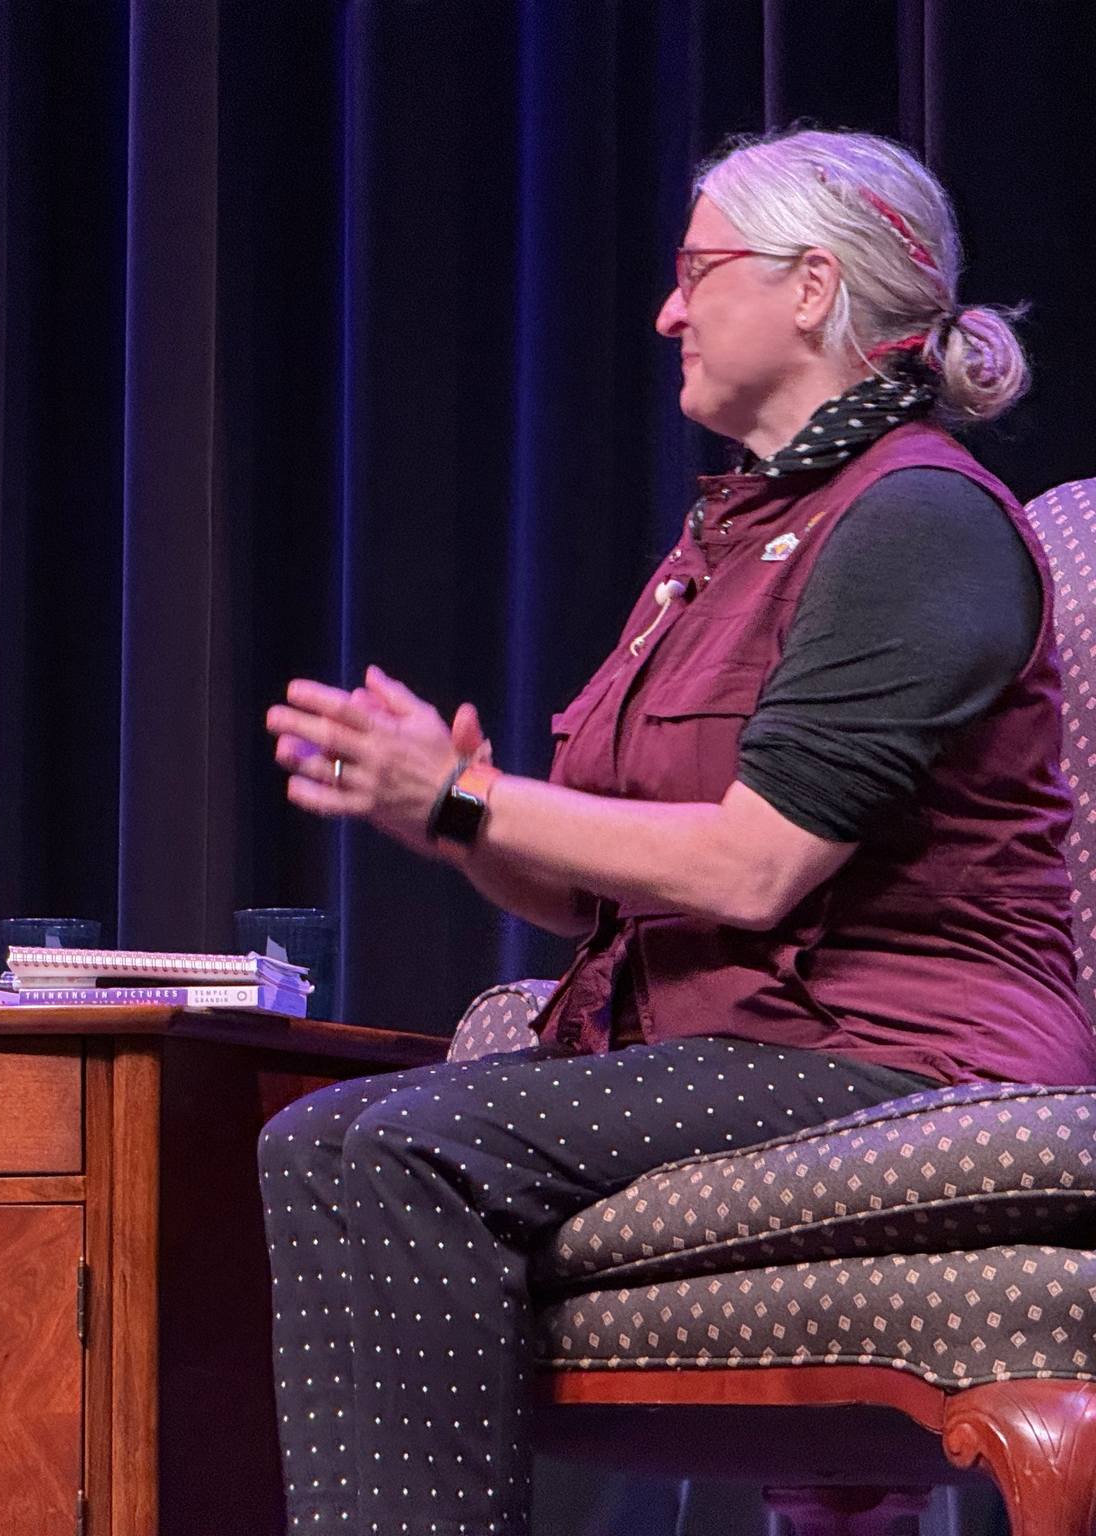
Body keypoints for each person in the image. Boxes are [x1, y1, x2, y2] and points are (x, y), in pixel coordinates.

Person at [257, 128, 1096, 1535]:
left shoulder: (920, 522)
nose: (666, 311)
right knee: (337, 1137)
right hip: (728, 1039)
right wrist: (453, 821)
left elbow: (757, 868)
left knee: (368, 1150)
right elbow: (604, 892)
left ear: (813, 286)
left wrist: (472, 794)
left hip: (897, 1051)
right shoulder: (720, 548)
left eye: (697, 271)